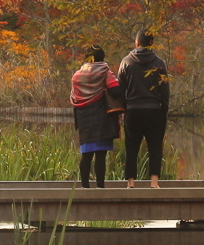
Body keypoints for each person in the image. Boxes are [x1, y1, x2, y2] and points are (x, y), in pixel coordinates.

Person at [117, 30, 169, 188]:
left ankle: (130, 182)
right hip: (154, 110)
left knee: (131, 147)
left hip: (133, 110)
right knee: (155, 146)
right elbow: (165, 90)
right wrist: (163, 110)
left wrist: (124, 109)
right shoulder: (159, 63)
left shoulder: (126, 62)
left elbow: (120, 90)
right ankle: (154, 182)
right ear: (151, 43)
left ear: (137, 42)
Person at [70, 45, 122, 188]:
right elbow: (116, 91)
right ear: (102, 57)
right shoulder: (104, 71)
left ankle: (84, 187)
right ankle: (100, 187)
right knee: (100, 154)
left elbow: (75, 97)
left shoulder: (77, 75)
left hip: (83, 118)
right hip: (100, 117)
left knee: (86, 154)